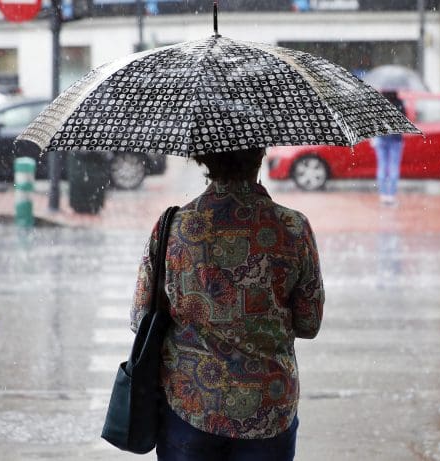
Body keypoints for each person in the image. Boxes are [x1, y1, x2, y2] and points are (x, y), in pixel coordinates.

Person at [130, 147, 324, 461]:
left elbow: (141, 318)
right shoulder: (292, 227)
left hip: (191, 406)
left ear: (204, 160)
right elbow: (309, 323)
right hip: (268, 407)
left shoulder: (174, 227)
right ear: (260, 156)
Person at [373, 90, 406, 206]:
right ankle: (391, 196)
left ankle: (383, 195)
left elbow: (374, 121)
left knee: (382, 166)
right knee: (393, 166)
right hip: (396, 139)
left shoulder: (379, 102)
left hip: (381, 138)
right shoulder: (399, 103)